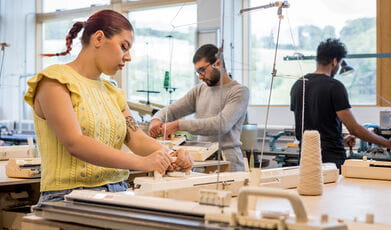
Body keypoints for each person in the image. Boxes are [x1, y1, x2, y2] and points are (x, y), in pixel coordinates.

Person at [24, 10, 193, 205]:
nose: (128, 57)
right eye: (123, 47)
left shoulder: (112, 91)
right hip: (67, 196)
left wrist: (171, 155)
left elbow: (136, 139)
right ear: (98, 38)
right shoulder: (54, 81)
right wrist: (142, 162)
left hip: (118, 191)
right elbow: (75, 143)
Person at [290, 38, 391, 169]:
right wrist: (387, 143)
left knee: (309, 188)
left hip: (305, 158)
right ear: (335, 61)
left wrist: (340, 141)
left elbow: (309, 125)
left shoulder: (298, 84)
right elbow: (354, 129)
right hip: (331, 161)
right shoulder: (334, 86)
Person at [148, 44, 250, 171]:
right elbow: (172, 110)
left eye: (202, 70)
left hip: (228, 163)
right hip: (201, 161)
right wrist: (156, 120)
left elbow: (222, 124)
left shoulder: (239, 92)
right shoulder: (200, 90)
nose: (200, 76)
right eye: (198, 72)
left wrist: (178, 125)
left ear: (218, 63)